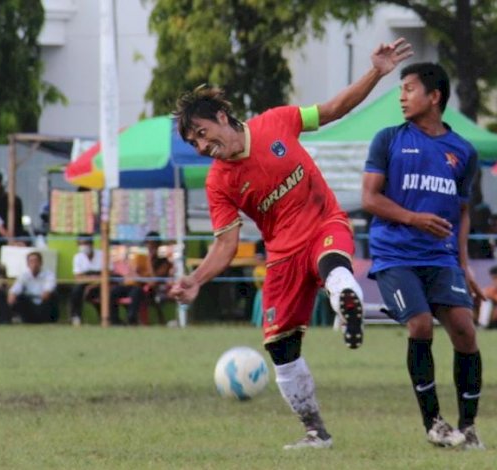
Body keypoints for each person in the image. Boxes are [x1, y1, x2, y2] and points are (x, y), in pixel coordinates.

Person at [168, 38, 413, 450]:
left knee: (332, 264)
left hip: (323, 223)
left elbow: (334, 110)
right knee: (280, 346)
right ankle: (316, 431)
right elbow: (226, 246)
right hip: (282, 254)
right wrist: (196, 279)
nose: (201, 146)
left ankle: (346, 300)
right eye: (193, 142)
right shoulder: (218, 182)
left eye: (202, 133)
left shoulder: (277, 122)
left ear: (222, 117)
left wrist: (376, 71)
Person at [361, 62, 485, 450]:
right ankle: (433, 423)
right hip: (395, 254)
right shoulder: (387, 139)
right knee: (420, 326)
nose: (401, 96)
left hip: (441, 258)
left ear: (435, 97)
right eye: (400, 90)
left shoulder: (463, 151)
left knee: (465, 331)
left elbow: (462, 212)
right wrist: (413, 218)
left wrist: (463, 265)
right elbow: (370, 198)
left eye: (409, 89)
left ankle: (468, 428)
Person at [8, 252, 57, 323]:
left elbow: (47, 291)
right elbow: (15, 289)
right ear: (27, 264)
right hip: (30, 305)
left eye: (36, 261)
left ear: (41, 263)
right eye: (31, 261)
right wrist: (12, 295)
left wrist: (42, 295)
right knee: (18, 297)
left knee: (53, 295)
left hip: (43, 304)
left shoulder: (49, 274)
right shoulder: (24, 275)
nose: (34, 264)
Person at [68, 236, 105, 326]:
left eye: (85, 243)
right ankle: (76, 317)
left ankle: (104, 319)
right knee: (76, 290)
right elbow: (78, 277)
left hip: (101, 285)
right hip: (85, 285)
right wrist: (91, 280)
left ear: (91, 244)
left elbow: (107, 275)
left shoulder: (102, 255)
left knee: (99, 293)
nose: (83, 246)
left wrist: (92, 284)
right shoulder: (78, 257)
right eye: (80, 244)